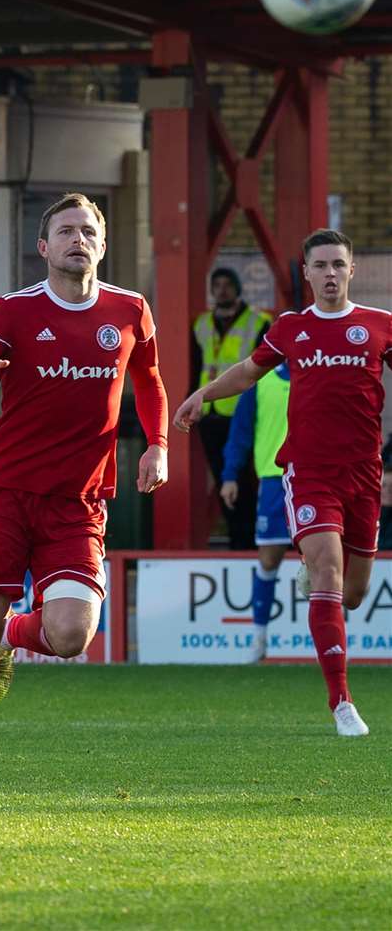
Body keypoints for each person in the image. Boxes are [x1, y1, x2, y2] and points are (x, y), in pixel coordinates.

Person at [0, 193, 167, 792]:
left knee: (70, 635)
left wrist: (159, 445)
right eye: (65, 231)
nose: (77, 239)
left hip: (79, 502)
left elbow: (152, 383)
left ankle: (15, 634)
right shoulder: (12, 312)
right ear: (44, 247)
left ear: (104, 244)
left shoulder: (130, 311)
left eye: (89, 231)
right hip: (7, 493)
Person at [176, 229, 383, 738]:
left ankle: (317, 578)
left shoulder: (379, 327)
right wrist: (201, 394)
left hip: (365, 475)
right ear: (306, 273)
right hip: (308, 472)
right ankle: (342, 703)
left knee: (352, 593)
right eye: (321, 265)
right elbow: (246, 373)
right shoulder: (291, 329)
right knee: (330, 571)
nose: (330, 273)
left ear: (351, 270)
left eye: (339, 264)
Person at [191, 267, 272, 550]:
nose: (222, 290)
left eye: (228, 284)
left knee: (247, 480)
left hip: (246, 413)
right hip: (211, 416)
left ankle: (250, 541)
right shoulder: (201, 324)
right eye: (217, 285)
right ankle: (239, 542)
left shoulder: (259, 322)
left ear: (238, 288)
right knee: (223, 477)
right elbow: (194, 366)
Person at [220, 360, 292, 663]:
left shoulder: (321, 373)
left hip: (317, 478)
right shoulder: (262, 382)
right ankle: (259, 638)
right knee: (268, 559)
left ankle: (328, 641)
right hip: (275, 482)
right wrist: (230, 475)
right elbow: (241, 433)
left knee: (323, 560)